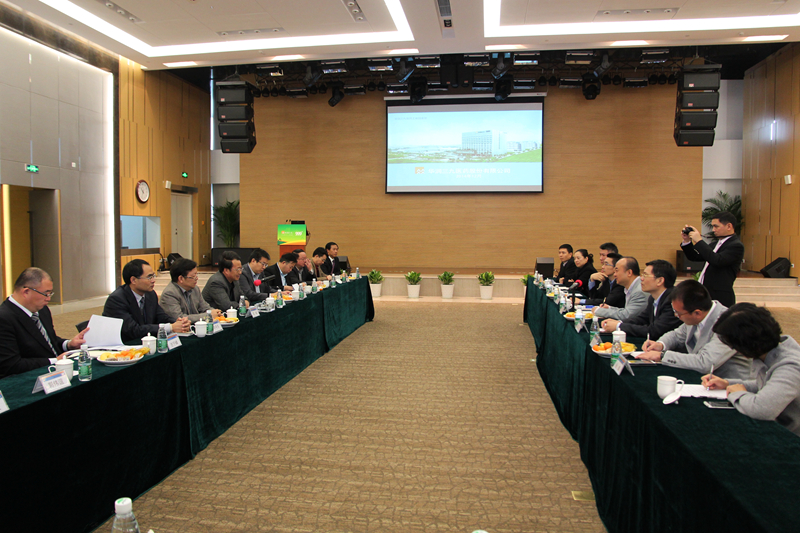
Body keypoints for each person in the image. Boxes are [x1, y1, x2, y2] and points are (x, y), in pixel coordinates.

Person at [702, 303, 800, 437]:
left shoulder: (790, 366)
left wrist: (737, 394)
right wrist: (727, 384)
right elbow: (768, 385)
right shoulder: (774, 352)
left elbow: (762, 409)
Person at [636, 280, 751, 379]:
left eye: (678, 313)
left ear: (697, 313)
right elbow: (677, 335)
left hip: (728, 384)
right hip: (703, 378)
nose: (676, 316)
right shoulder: (696, 314)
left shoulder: (729, 324)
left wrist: (662, 356)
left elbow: (705, 362)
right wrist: (661, 345)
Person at [0, 267, 89, 378]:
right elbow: (10, 365)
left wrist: (69, 344)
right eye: (46, 294)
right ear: (26, 292)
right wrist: (54, 361)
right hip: (30, 378)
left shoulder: (42, 310)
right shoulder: (4, 318)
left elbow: (48, 341)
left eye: (50, 294)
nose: (48, 299)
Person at [104, 259, 190, 342]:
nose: (153, 280)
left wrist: (180, 323)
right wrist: (170, 327)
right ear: (133, 280)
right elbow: (133, 330)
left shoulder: (150, 294)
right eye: (149, 277)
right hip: (125, 346)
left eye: (153, 276)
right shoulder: (117, 299)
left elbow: (161, 317)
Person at [601, 259, 682, 339]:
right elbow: (642, 319)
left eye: (645, 275)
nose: (641, 279)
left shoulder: (673, 300)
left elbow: (654, 331)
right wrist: (619, 322)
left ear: (660, 281)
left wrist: (619, 326)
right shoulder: (653, 298)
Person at [680, 211, 744, 307]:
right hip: (705, 292)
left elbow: (717, 260)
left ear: (729, 226)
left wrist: (699, 241)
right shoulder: (715, 244)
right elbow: (695, 257)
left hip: (720, 296)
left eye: (716, 226)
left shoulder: (736, 245)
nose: (713, 230)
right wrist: (687, 242)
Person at [160, 258, 221, 322]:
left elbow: (204, 307)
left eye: (196, 275)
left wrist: (215, 312)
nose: (196, 278)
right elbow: (179, 318)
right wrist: (208, 316)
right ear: (181, 278)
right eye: (193, 277)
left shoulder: (195, 289)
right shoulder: (169, 294)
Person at [592, 256, 648, 321]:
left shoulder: (639, 291)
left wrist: (598, 311)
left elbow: (627, 315)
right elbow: (627, 310)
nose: (614, 275)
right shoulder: (632, 287)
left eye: (617, 271)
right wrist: (609, 308)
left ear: (629, 273)